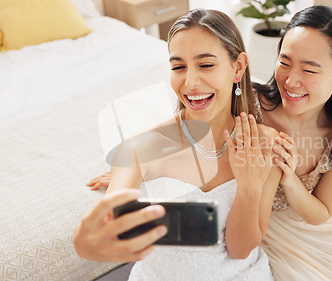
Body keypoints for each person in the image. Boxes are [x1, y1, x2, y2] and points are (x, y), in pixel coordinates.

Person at [76, 8, 282, 280]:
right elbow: (112, 225)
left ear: (238, 67)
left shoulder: (266, 145)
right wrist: (99, 234)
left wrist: (249, 187)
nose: (190, 82)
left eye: (206, 65)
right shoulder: (140, 147)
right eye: (178, 67)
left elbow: (240, 250)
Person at [254, 5, 332, 280]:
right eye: (285, 61)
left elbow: (321, 212)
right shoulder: (249, 104)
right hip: (248, 215)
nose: (290, 81)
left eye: (309, 70)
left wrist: (290, 179)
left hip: (303, 225)